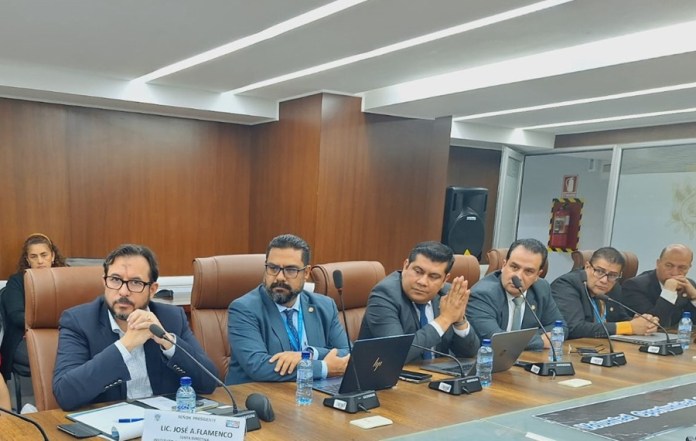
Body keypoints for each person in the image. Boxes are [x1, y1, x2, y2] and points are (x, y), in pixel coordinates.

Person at [53, 244, 217, 410]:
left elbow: (209, 383)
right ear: (104, 282)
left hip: (162, 424)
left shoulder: (171, 318)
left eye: (136, 282)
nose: (123, 291)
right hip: (110, 426)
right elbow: (65, 394)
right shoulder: (79, 321)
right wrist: (126, 345)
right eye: (115, 280)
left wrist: (167, 341)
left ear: (152, 290)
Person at [226, 234, 350, 385]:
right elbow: (258, 366)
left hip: (311, 397)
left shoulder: (324, 306)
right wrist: (323, 367)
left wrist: (308, 354)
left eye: (290, 270)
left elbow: (348, 351)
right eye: (273, 268)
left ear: (306, 273)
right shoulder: (244, 309)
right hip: (259, 399)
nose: (279, 277)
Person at [358, 241, 479, 362]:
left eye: (433, 276)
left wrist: (459, 321)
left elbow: (470, 353)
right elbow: (396, 353)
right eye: (418, 271)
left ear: (444, 280)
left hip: (438, 375)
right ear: (406, 266)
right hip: (390, 378)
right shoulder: (384, 295)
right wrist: (445, 319)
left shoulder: (448, 295)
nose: (422, 282)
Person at [467, 238, 564, 350]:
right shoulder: (482, 294)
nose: (518, 276)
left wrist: (518, 340)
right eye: (514, 267)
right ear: (504, 265)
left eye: (528, 271)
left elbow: (560, 328)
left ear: (538, 275)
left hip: (526, 360)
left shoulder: (541, 289)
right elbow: (496, 339)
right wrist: (540, 340)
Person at [551, 247, 658, 339]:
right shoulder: (566, 285)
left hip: (603, 349)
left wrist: (643, 324)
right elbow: (574, 328)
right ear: (587, 267)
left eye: (612, 275)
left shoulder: (614, 287)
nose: (604, 280)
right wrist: (629, 327)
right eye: (600, 271)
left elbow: (620, 319)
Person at [1, 233, 67, 382]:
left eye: (44, 255)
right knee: (56, 358)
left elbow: (79, 311)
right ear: (27, 260)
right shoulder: (17, 281)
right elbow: (16, 315)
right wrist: (50, 325)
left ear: (53, 256)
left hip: (63, 334)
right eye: (34, 256)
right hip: (23, 337)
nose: (40, 261)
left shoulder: (66, 278)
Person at [620, 244, 696, 327]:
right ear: (658, 263)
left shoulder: (689, 285)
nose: (675, 273)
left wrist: (694, 297)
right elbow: (654, 325)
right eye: (669, 265)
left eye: (682, 267)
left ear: (689, 267)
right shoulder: (634, 286)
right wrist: (668, 292)